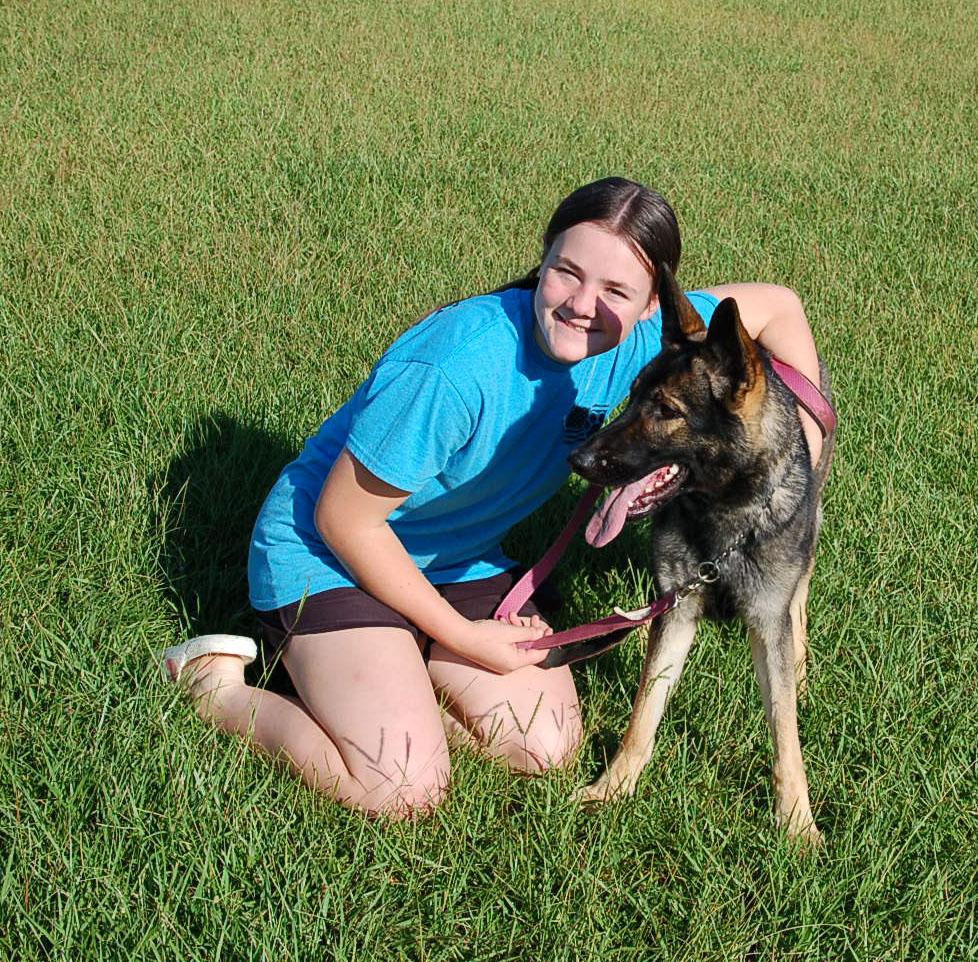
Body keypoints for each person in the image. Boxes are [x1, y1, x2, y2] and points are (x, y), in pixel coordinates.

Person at [160, 177, 824, 819]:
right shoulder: (457, 367)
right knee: (402, 789)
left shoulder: (651, 340)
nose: (582, 304)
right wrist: (466, 641)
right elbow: (343, 517)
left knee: (546, 746)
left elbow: (778, 305)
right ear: (543, 258)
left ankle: (396, 671)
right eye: (566, 272)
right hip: (330, 555)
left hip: (458, 561)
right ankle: (215, 685)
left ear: (653, 303)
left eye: (616, 288)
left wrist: (806, 459)